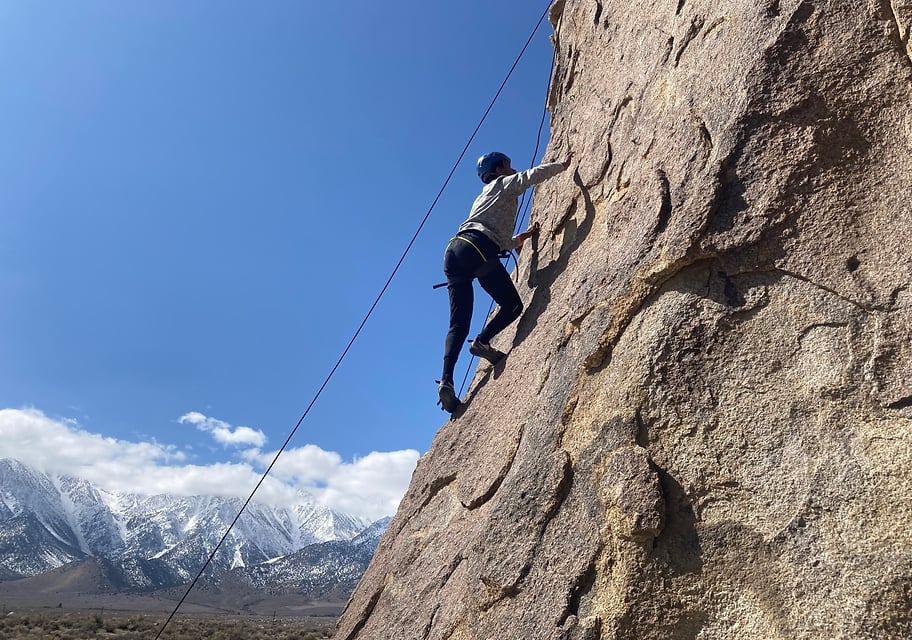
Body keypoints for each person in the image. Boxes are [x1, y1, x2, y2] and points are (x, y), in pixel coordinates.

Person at [437, 150, 573, 413]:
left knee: (458, 323)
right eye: (509, 166)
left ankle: (446, 381)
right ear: (499, 170)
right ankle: (483, 341)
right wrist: (563, 165)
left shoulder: (482, 198)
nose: (513, 170)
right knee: (512, 305)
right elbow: (530, 177)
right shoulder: (502, 184)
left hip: (455, 251)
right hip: (478, 249)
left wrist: (523, 238)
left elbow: (497, 238)